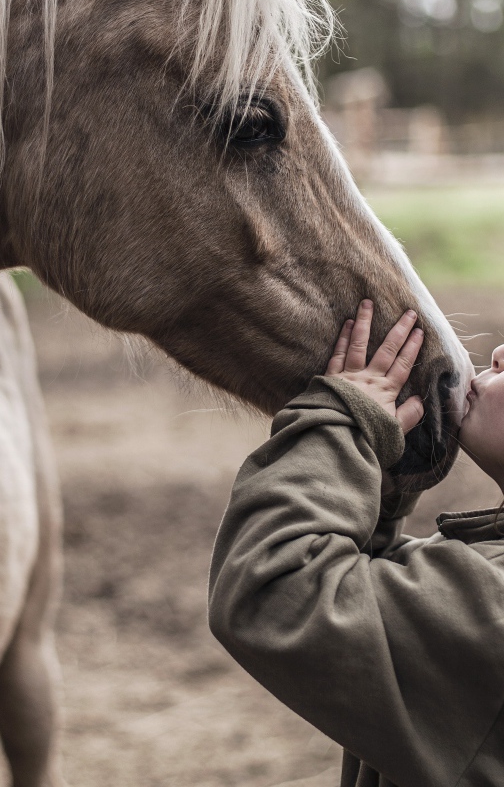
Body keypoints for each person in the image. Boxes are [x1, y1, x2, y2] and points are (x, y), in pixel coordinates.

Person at [208, 300, 504, 787]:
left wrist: (340, 425)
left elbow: (274, 590)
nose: (498, 352)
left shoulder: (491, 605)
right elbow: (383, 603)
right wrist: (387, 478)